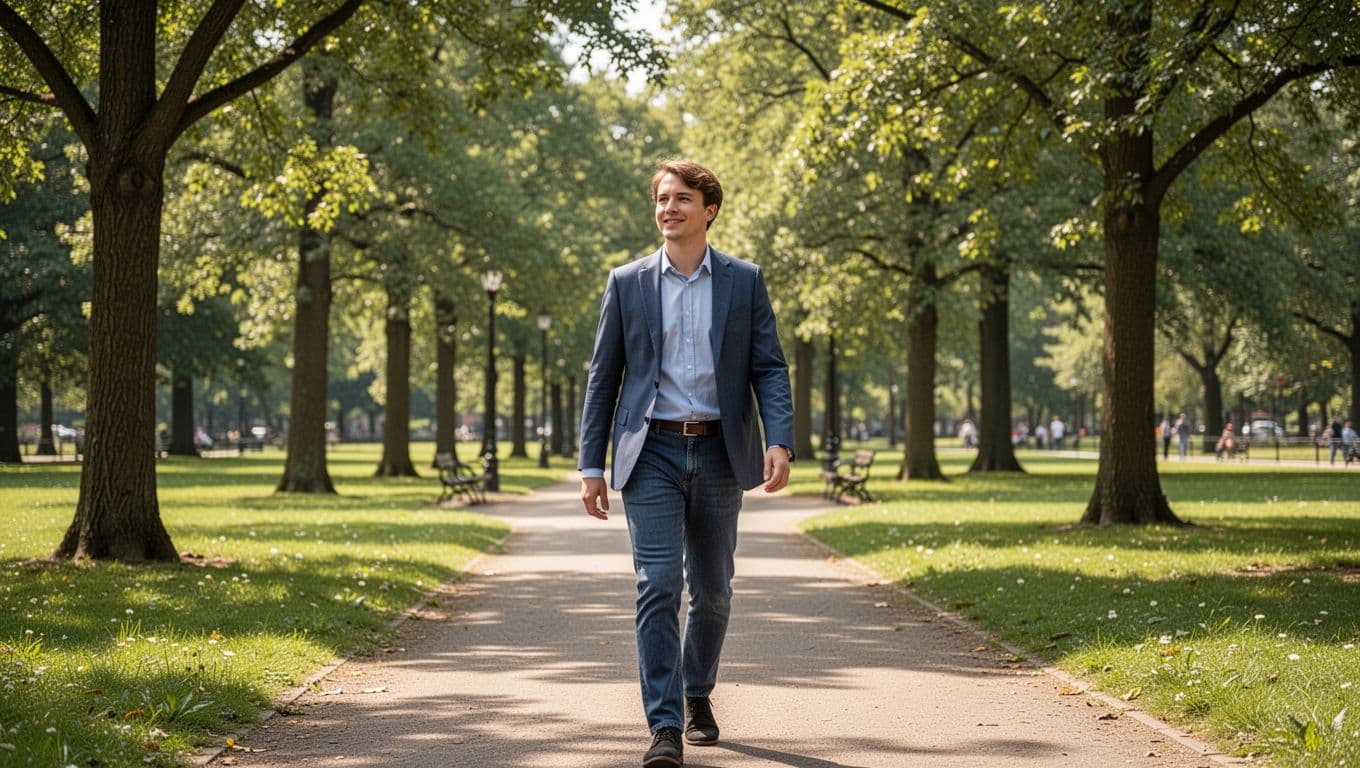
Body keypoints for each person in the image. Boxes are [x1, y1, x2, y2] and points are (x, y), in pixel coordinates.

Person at [578, 160, 794, 768]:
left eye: (682, 199)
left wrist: (780, 439)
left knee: (713, 589)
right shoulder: (627, 282)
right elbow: (604, 378)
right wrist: (590, 465)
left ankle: (697, 689)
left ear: (709, 209)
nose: (669, 208)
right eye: (662, 199)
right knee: (657, 584)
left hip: (722, 450)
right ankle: (665, 724)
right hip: (651, 450)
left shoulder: (744, 281)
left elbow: (769, 366)